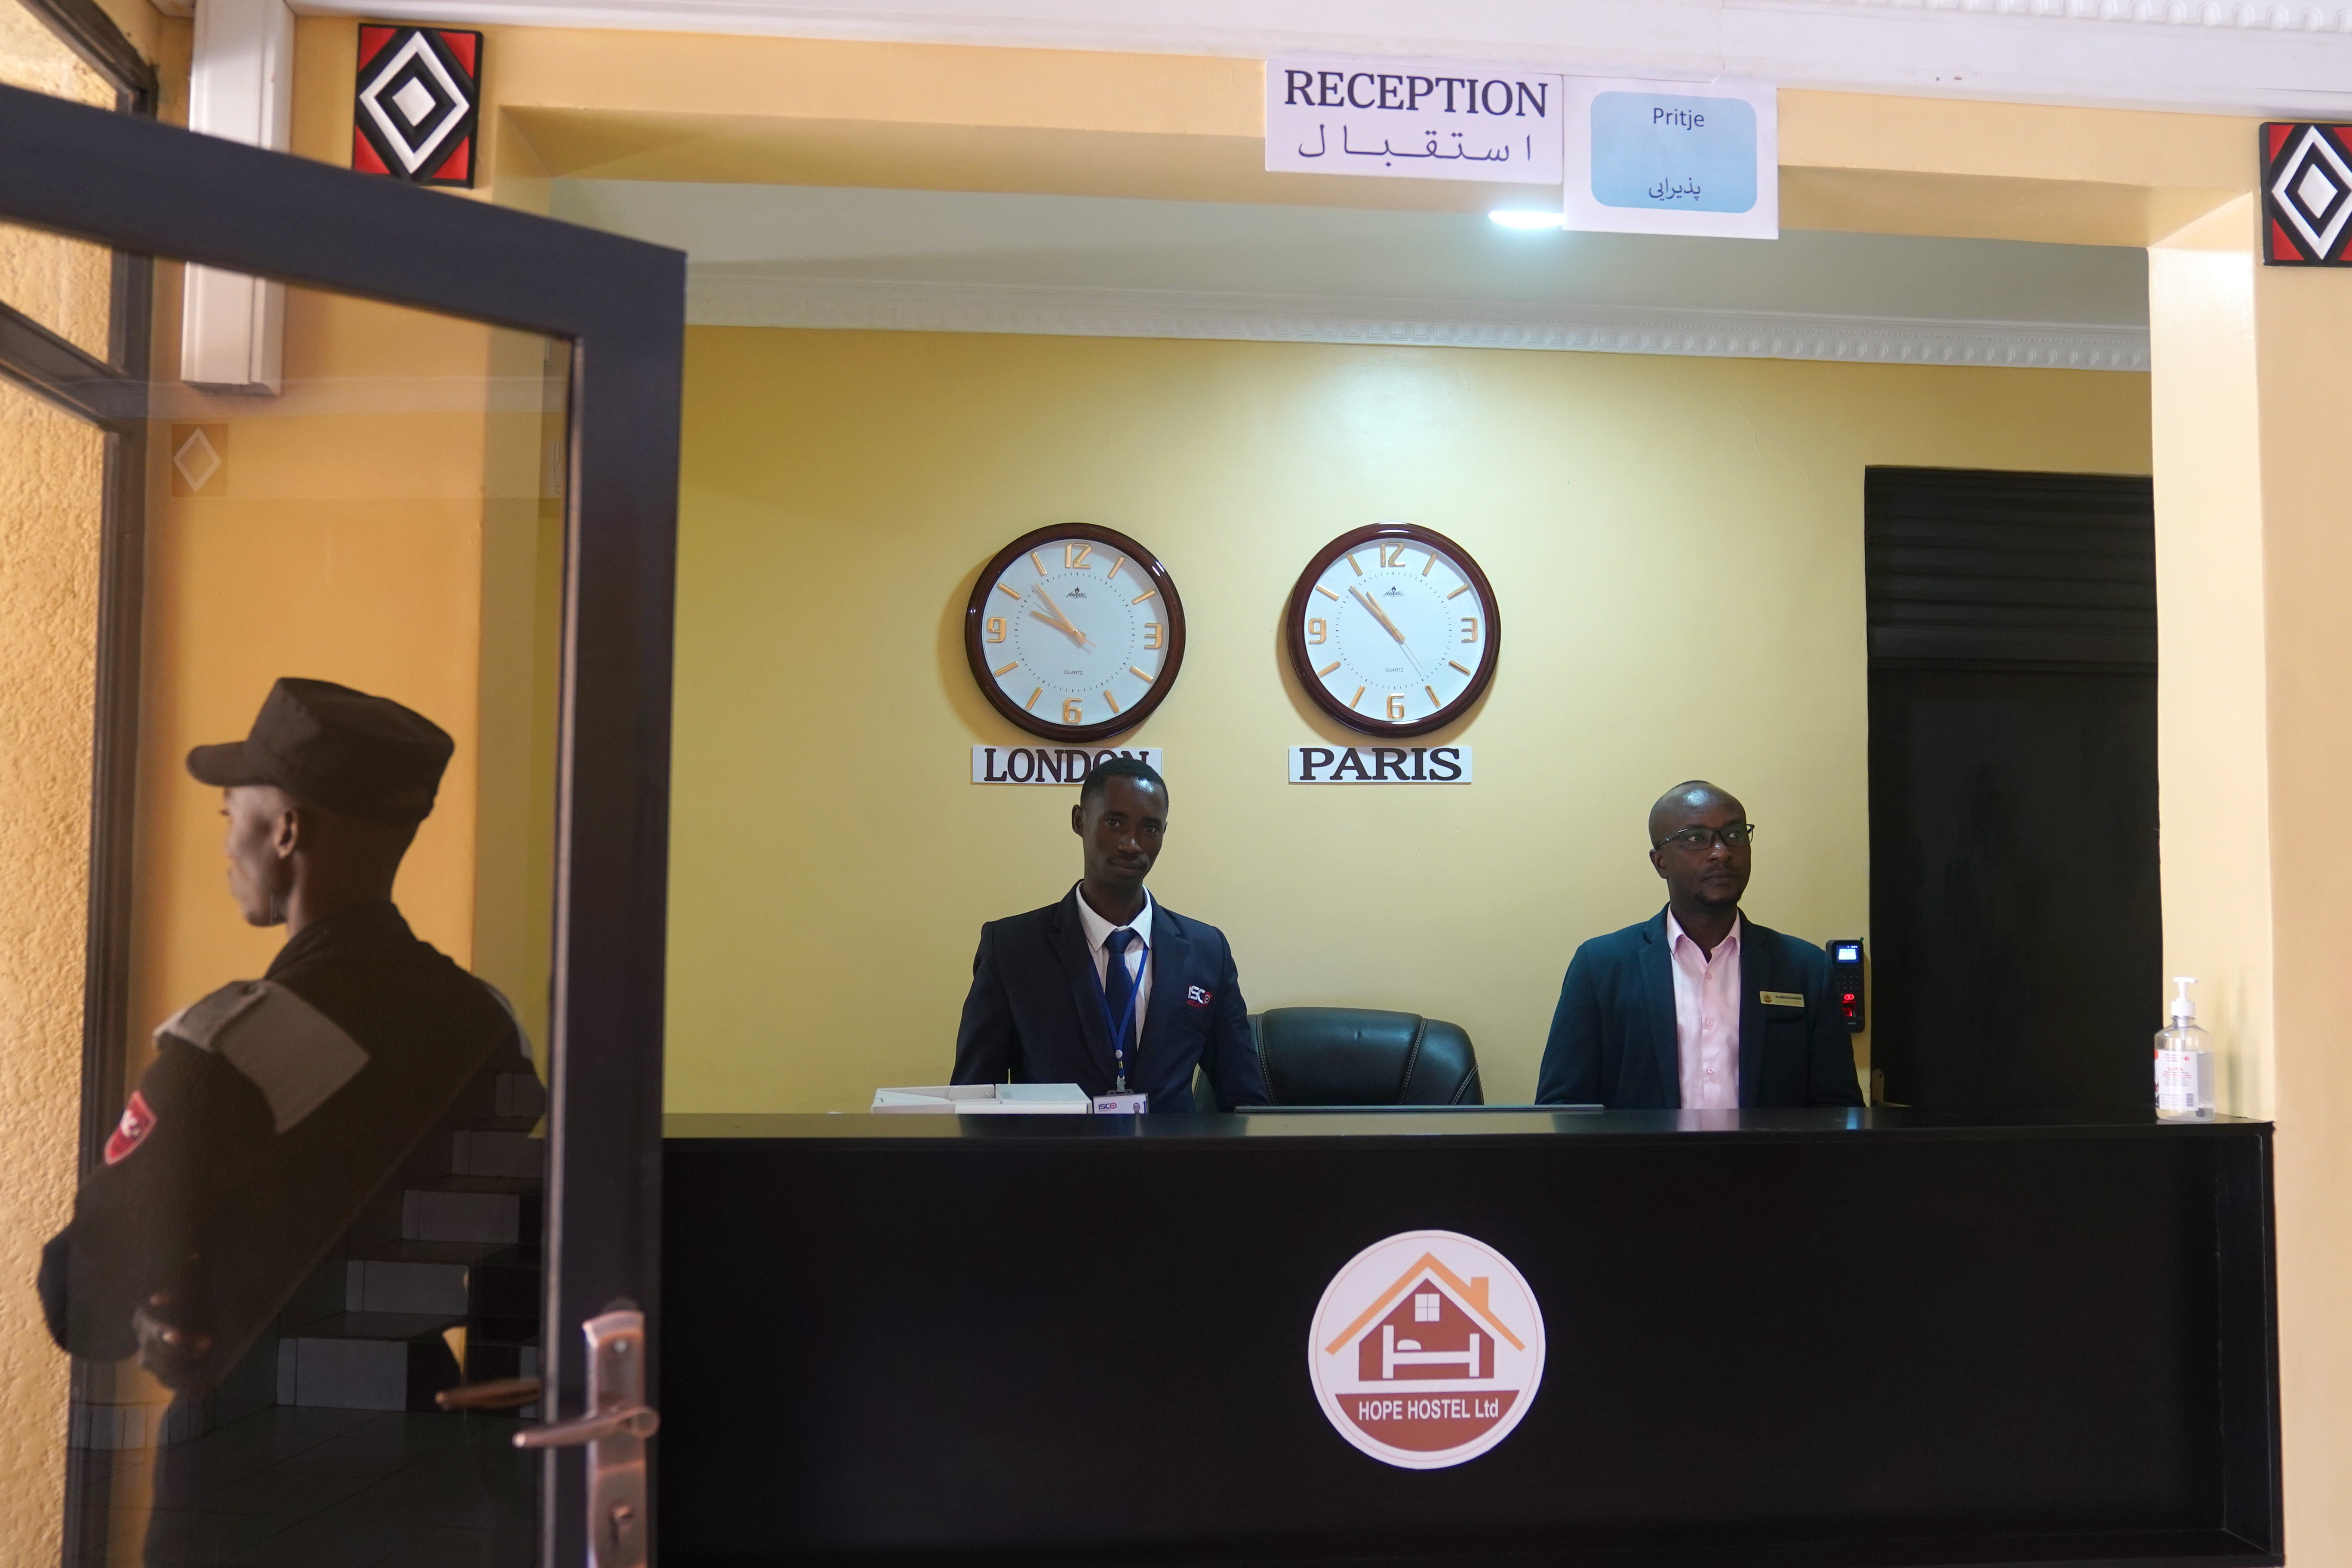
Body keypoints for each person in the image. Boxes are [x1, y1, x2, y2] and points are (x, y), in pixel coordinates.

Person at [38, 676, 538, 1396]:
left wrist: (161, 1309)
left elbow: (82, 1300)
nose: (224, 846)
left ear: (285, 831)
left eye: (229, 815)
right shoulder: (483, 1023)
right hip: (429, 1441)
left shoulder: (236, 1047)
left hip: (261, 1462)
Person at [952, 756, 1268, 1112]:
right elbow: (974, 1097)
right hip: (1051, 1164)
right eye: (1115, 823)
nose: (1131, 844)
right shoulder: (1012, 947)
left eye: (1150, 829)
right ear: (1078, 820)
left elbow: (1243, 1097)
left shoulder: (1207, 950)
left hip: (1174, 1165)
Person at [1535, 779, 1862, 1110]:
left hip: (1770, 1162)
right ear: (1660, 862)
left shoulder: (1804, 967)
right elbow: (1563, 1107)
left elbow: (1837, 1108)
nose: (1721, 852)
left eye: (1734, 835)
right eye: (1696, 839)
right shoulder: (1601, 967)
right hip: (1641, 1162)